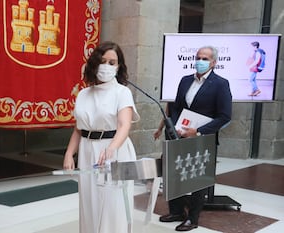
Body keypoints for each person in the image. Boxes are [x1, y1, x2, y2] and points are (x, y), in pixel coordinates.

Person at [63, 41, 140, 233]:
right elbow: (79, 128)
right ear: (94, 63)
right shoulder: (83, 94)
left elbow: (124, 125)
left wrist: (112, 148)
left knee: (114, 205)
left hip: (115, 150)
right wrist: (68, 154)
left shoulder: (122, 92)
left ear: (119, 66)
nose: (107, 66)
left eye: (112, 62)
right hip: (88, 151)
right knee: (90, 202)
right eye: (103, 61)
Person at [158, 46, 232, 231]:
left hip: (202, 138)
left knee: (197, 179)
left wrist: (198, 131)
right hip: (180, 136)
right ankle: (176, 211)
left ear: (213, 63)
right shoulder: (184, 81)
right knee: (174, 174)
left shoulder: (221, 84)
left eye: (205, 58)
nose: (200, 61)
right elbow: (176, 107)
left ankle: (192, 218)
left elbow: (225, 116)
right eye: (198, 57)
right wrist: (174, 128)